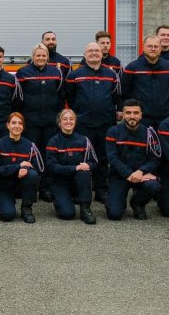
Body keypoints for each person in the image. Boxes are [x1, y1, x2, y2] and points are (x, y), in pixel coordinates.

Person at [65, 42, 120, 203]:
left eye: (97, 50)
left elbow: (116, 96)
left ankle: (101, 189)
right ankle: (80, 190)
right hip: (83, 123)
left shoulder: (111, 75)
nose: (94, 53)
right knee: (80, 157)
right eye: (90, 51)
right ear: (84, 54)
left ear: (102, 54)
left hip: (105, 123)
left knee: (103, 158)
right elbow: (70, 97)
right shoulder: (75, 75)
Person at [15, 43, 64, 202]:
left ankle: (45, 187)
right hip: (30, 122)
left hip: (50, 122)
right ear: (32, 57)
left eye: (44, 55)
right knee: (31, 154)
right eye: (38, 55)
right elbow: (17, 97)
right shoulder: (23, 73)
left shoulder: (56, 72)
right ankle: (28, 186)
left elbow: (61, 95)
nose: (41, 58)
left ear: (48, 57)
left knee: (47, 154)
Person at [104, 99, 161, 221]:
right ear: (123, 115)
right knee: (114, 214)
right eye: (128, 113)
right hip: (120, 175)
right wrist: (129, 174)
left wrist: (141, 171)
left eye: (135, 113)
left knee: (153, 186)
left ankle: (137, 203)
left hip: (142, 175)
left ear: (141, 115)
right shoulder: (113, 132)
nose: (132, 116)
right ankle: (118, 200)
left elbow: (155, 158)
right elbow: (112, 158)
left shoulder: (150, 133)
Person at [44, 109, 97, 224]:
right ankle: (61, 199)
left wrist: (88, 164)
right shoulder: (53, 142)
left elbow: (94, 162)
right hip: (59, 182)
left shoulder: (84, 140)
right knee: (67, 214)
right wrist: (75, 168)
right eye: (65, 119)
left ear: (75, 122)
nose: (68, 122)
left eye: (71, 119)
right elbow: (52, 167)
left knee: (85, 171)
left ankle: (85, 209)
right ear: (59, 123)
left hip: (77, 182)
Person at [0, 112, 43, 223]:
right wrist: (18, 167)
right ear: (8, 125)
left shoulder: (30, 145)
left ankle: (26, 208)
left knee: (32, 174)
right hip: (3, 186)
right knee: (7, 216)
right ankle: (1, 203)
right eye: (14, 123)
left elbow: (39, 168)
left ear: (23, 127)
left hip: (21, 185)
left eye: (20, 123)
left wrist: (26, 169)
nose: (17, 126)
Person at [121, 35, 169, 128]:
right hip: (141, 119)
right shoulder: (132, 68)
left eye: (156, 46)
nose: (153, 49)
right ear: (143, 47)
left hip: (165, 117)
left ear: (160, 48)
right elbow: (125, 92)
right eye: (150, 46)